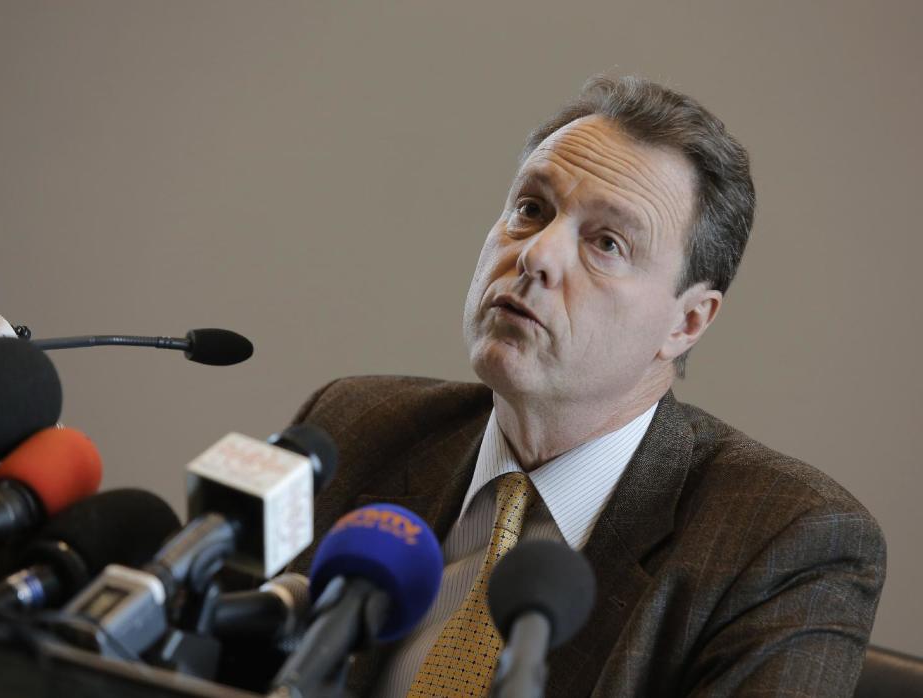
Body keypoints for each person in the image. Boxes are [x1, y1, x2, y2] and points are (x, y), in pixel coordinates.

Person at [288, 76, 886, 697]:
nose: (537, 256)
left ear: (685, 322)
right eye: (531, 210)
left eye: (607, 243)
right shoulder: (353, 428)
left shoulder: (783, 542)